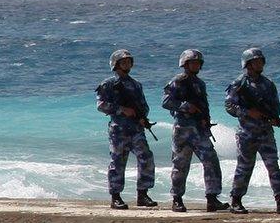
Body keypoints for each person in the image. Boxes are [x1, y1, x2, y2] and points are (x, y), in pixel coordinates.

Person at [223, 47, 280, 215]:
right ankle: (236, 200)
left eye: (261, 61)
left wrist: (273, 117)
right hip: (246, 133)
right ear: (248, 64)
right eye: (256, 61)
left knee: (273, 166)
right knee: (244, 167)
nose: (259, 64)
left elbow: (275, 106)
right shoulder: (239, 83)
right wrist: (248, 112)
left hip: (265, 132)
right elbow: (229, 106)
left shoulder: (268, 84)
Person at [161, 49, 225, 212]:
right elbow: (167, 102)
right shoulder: (178, 80)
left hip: (199, 129)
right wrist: (186, 107)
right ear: (185, 64)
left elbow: (203, 105)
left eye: (198, 63)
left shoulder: (199, 83)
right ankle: (177, 199)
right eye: (192, 63)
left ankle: (212, 198)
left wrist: (205, 120)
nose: (196, 65)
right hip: (183, 129)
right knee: (180, 164)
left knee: (211, 160)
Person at [95, 49, 157, 210]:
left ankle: (143, 194)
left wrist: (143, 117)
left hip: (136, 129)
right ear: (115, 64)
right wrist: (121, 109)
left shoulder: (136, 84)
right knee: (118, 162)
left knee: (146, 158)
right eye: (123, 62)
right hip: (119, 129)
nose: (127, 64)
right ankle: (115, 197)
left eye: (129, 62)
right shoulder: (109, 84)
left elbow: (143, 106)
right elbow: (101, 105)